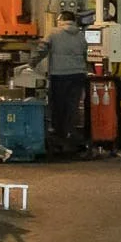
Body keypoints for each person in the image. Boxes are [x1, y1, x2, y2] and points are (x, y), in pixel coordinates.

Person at [31, 14, 90, 157]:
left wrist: (31, 63)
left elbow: (42, 49)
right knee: (72, 106)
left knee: (57, 107)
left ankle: (58, 139)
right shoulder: (81, 35)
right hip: (78, 75)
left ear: (61, 20)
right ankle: (70, 137)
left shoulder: (53, 33)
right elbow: (85, 53)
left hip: (59, 75)